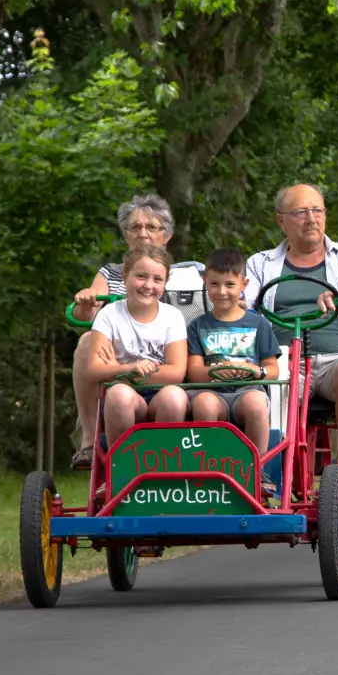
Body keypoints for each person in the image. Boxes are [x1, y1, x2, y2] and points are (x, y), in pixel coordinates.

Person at [244, 183, 338, 472]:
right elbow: (244, 305)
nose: (311, 219)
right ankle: (273, 473)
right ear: (280, 219)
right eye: (300, 212)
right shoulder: (260, 263)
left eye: (317, 210)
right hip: (285, 361)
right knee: (261, 395)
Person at [66, 194, 206, 469]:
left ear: (167, 235)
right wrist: (85, 302)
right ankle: (89, 441)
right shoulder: (112, 274)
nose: (143, 233)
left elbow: (222, 296)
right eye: (135, 227)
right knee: (86, 341)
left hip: (177, 361)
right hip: (120, 365)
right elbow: (91, 310)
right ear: (126, 235)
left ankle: (165, 468)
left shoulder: (191, 273)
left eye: (151, 227)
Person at [185, 248, 284, 492]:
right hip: (211, 391)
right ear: (204, 282)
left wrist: (254, 370)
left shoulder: (258, 323)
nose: (221, 292)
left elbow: (273, 369)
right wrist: (215, 371)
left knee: (255, 403)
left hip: (247, 390)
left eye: (230, 284)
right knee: (204, 405)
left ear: (244, 284)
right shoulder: (198, 326)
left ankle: (256, 471)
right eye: (214, 284)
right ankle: (211, 470)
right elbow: (193, 371)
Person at [78, 244, 189, 448]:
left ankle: (162, 463)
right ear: (125, 276)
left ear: (165, 283)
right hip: (122, 394)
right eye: (141, 276)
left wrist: (115, 369)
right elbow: (94, 370)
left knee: (175, 397)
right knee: (119, 395)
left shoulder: (172, 316)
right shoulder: (109, 315)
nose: (148, 285)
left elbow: (176, 372)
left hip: (159, 393)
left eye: (157, 280)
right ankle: (120, 467)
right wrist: (128, 369)